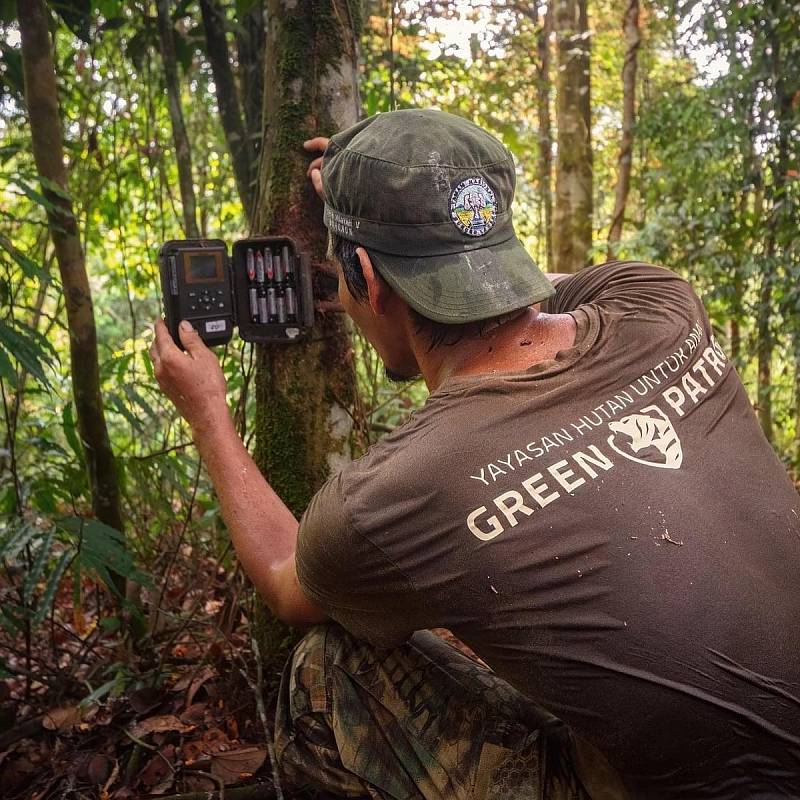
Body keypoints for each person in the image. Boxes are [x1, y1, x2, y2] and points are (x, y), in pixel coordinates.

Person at [150, 109, 800, 800]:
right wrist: (394, 227)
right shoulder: (658, 302)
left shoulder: (402, 491)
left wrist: (208, 413)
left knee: (326, 668)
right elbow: (524, 293)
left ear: (363, 278)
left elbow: (285, 578)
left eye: (344, 278)